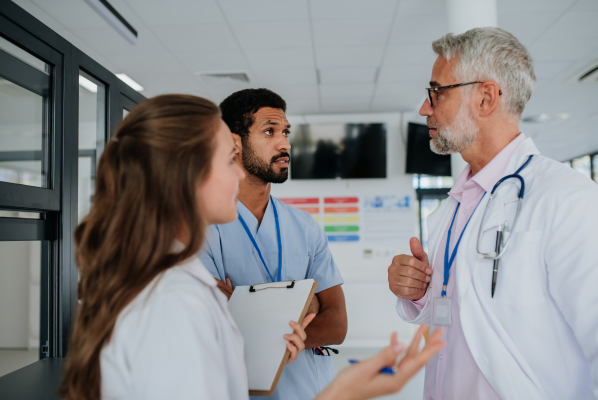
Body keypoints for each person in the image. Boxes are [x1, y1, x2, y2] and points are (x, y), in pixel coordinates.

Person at [58, 94, 445, 400]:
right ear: (187, 174)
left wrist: (248, 314)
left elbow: (330, 323)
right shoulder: (174, 301)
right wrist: (343, 393)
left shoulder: (173, 281)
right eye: (229, 159)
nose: (238, 171)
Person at [388, 27, 598, 400]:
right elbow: (461, 317)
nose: (425, 107)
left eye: (436, 91)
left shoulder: (568, 199)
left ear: (485, 98)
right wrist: (418, 293)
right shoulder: (455, 206)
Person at [198, 88, 347, 400]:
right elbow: (207, 327)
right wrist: (304, 307)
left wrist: (241, 307)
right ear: (233, 142)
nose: (285, 144)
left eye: (286, 132)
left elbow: (336, 324)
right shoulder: (204, 229)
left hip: (311, 390)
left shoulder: (304, 226)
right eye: (269, 131)